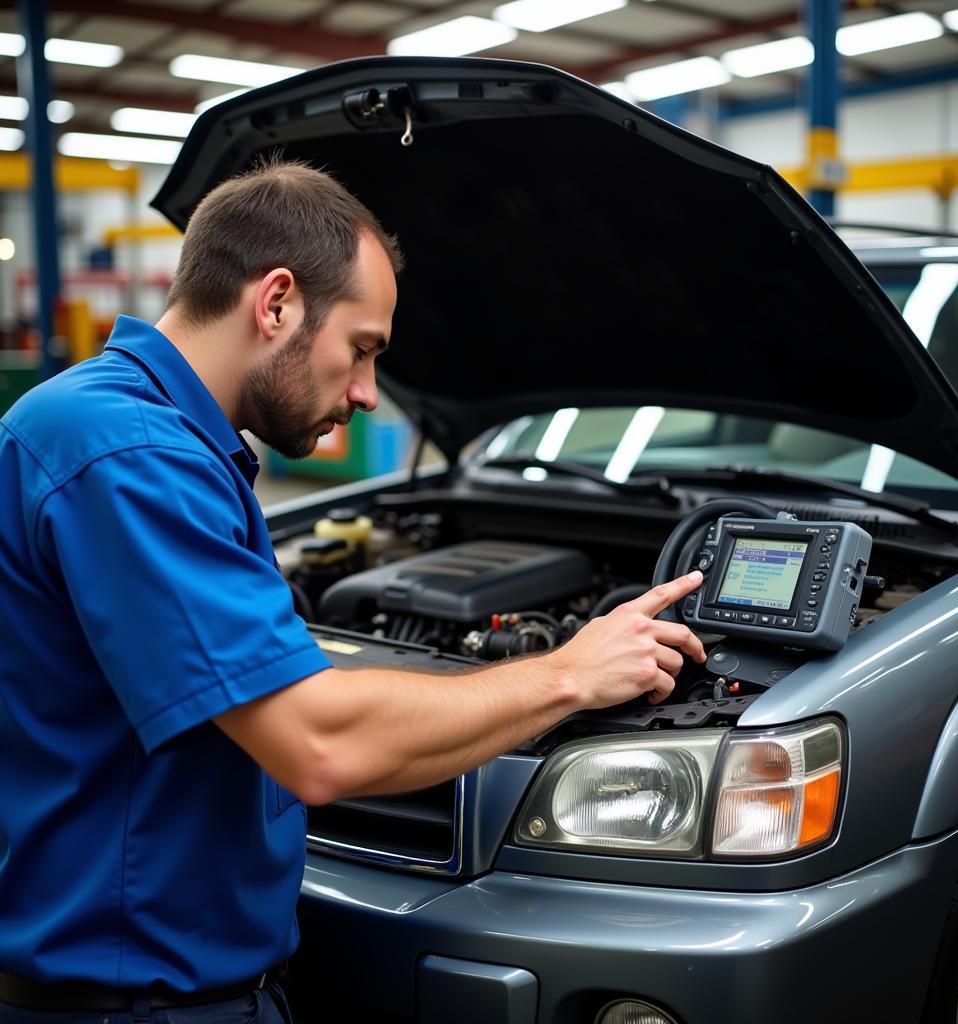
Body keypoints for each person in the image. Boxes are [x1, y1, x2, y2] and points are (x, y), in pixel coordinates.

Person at [0, 160, 706, 1023]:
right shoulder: (129, 455)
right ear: (277, 303)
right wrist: (569, 674)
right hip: (136, 1005)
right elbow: (318, 745)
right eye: (363, 349)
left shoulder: (130, 430)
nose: (369, 392)